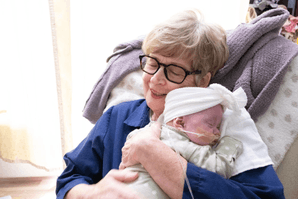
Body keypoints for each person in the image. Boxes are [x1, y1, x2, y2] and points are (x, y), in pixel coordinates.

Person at [56, 9, 284, 199]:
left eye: (174, 71)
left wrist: (155, 155)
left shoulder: (226, 124)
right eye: (152, 63)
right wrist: (88, 192)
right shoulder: (118, 116)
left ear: (202, 80)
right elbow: (70, 178)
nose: (155, 79)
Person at [123, 84, 245, 199]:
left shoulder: (148, 131)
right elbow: (218, 168)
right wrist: (230, 143)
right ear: (180, 123)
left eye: (218, 127)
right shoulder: (184, 145)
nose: (217, 132)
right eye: (211, 124)